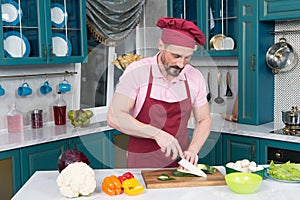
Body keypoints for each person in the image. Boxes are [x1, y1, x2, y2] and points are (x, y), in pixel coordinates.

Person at [107, 17, 211, 168]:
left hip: (180, 165)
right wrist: (157, 134)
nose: (181, 64)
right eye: (175, 56)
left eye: (187, 57)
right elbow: (114, 117)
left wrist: (193, 150)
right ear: (161, 45)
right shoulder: (137, 72)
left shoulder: (194, 77)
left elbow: (204, 120)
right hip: (141, 164)